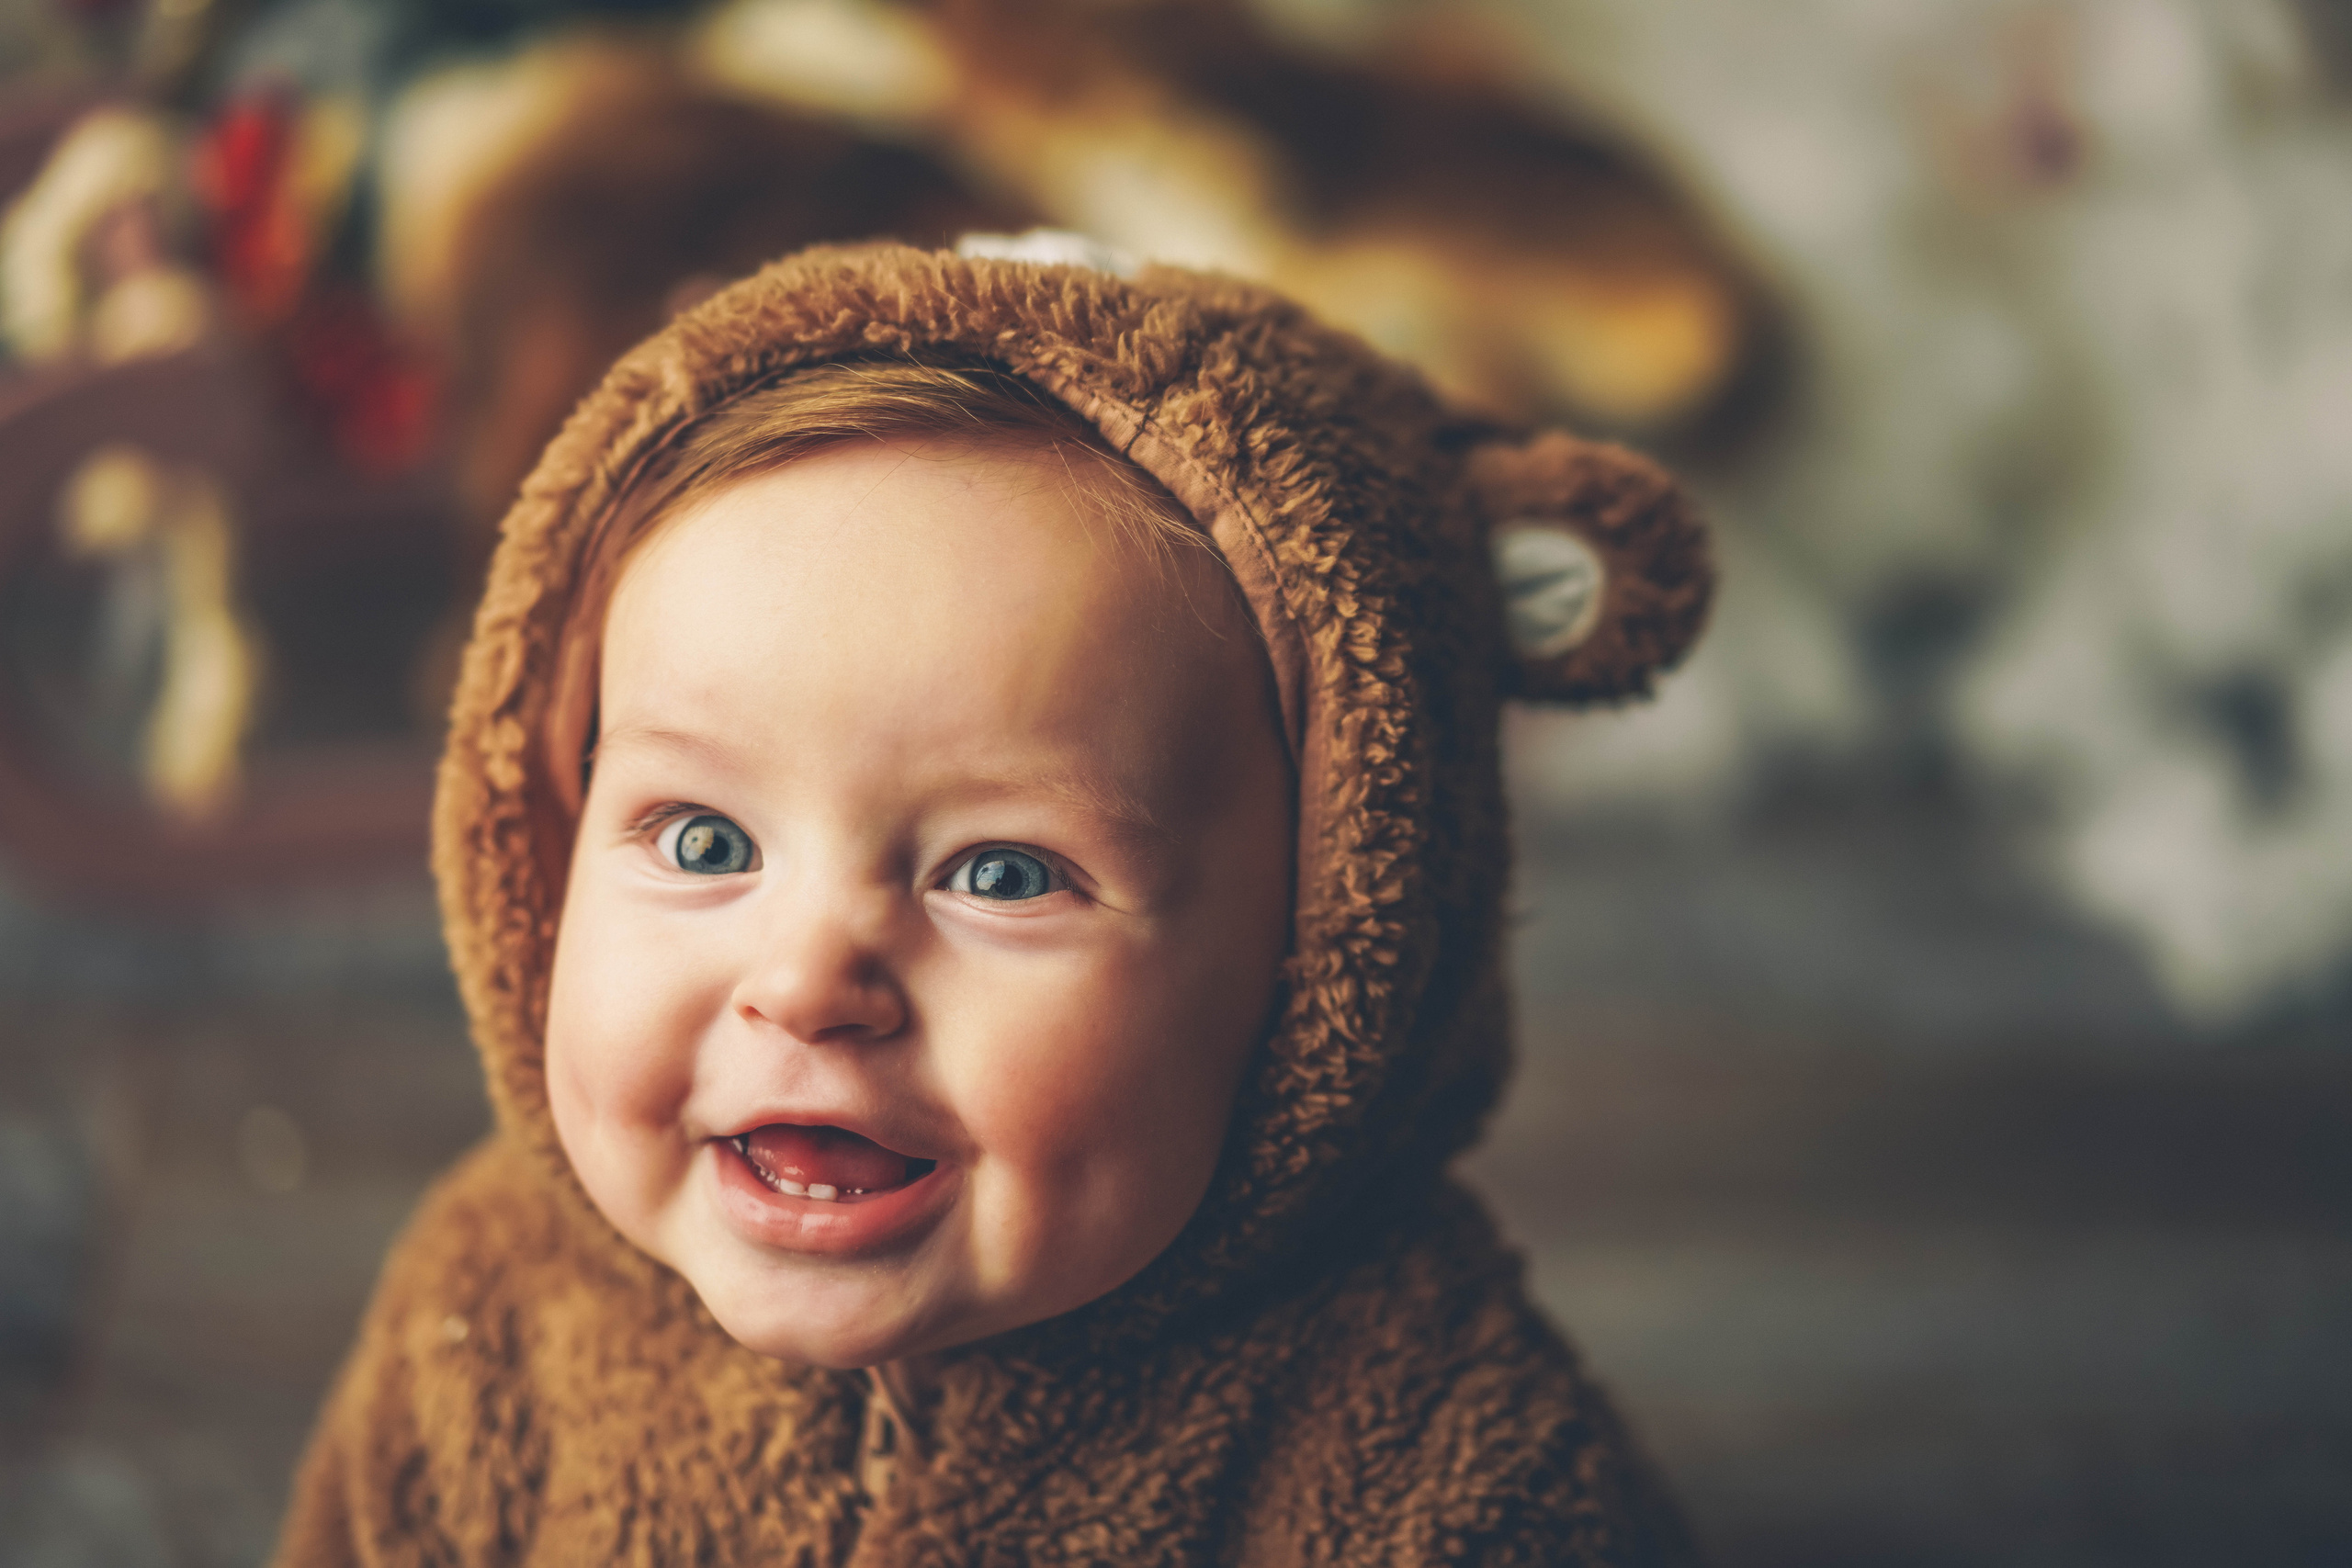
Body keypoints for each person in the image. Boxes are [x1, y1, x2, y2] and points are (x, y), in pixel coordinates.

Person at [274, 233, 1715, 1565]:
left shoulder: (1435, 1464)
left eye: (1004, 874)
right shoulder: (487, 1323)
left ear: (1329, 956)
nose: (809, 978)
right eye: (705, 841)